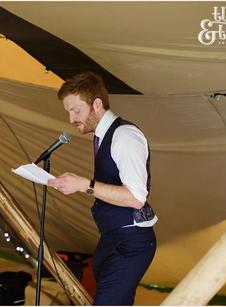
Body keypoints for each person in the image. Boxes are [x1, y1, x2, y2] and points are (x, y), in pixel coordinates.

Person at [48, 72, 158, 305]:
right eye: (68, 111)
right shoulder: (102, 135)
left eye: (76, 110)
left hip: (132, 242)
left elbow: (137, 198)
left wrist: (83, 184)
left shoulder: (124, 136)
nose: (71, 119)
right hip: (111, 238)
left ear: (97, 104)